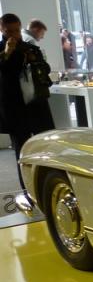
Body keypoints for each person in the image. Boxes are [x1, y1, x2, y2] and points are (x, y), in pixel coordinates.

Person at [0, 13, 55, 188]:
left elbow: (45, 69)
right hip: (14, 107)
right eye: (9, 31)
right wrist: (7, 53)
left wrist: (34, 61)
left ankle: (47, 186)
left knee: (45, 145)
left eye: (16, 30)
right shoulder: (2, 49)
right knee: (22, 149)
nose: (14, 35)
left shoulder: (29, 47)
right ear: (2, 29)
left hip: (36, 104)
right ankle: (28, 189)